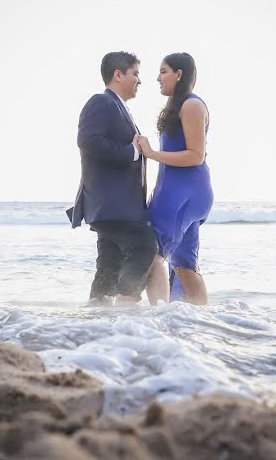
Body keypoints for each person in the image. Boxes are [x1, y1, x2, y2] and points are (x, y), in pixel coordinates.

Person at [68, 51, 158, 305]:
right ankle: (126, 308)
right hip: (113, 204)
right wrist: (131, 151)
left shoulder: (120, 107)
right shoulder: (101, 102)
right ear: (118, 75)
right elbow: (88, 140)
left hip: (112, 205)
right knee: (144, 246)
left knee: (108, 264)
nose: (139, 81)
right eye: (135, 74)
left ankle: (99, 318)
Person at [136, 53, 213, 305]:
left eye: (163, 71)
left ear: (179, 74)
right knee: (184, 266)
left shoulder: (191, 105)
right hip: (183, 192)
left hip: (184, 193)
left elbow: (196, 155)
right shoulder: (176, 106)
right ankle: (200, 322)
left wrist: (151, 153)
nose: (158, 78)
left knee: (152, 255)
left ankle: (159, 322)